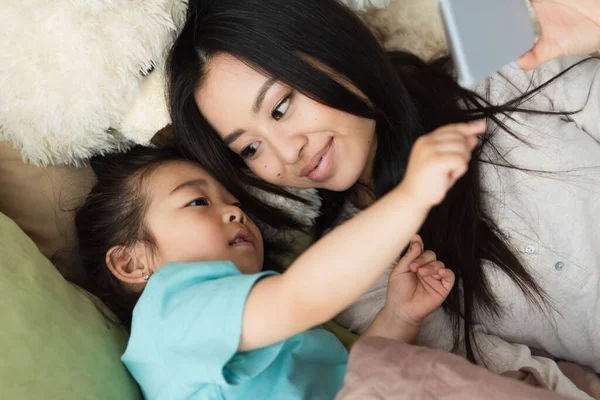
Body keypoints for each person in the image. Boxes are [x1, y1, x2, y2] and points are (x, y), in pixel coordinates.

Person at [167, 0, 600, 398]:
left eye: (280, 108)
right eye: (250, 149)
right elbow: (526, 383)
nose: (287, 152)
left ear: (330, 48)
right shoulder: (366, 279)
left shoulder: (499, 69)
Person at [74, 128, 478, 399]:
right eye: (197, 201)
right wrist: (411, 196)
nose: (235, 212)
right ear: (131, 263)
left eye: (234, 202)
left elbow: (354, 382)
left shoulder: (263, 320)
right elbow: (300, 296)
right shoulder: (169, 311)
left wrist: (399, 318)